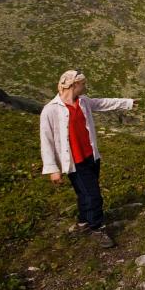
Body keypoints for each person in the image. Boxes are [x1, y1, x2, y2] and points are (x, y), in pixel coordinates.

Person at [40, 70, 137, 248]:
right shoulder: (50, 110)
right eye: (83, 84)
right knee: (93, 195)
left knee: (84, 192)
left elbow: (102, 103)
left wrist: (127, 103)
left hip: (91, 156)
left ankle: (84, 221)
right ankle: (97, 228)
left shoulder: (83, 102)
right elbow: (46, 141)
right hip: (74, 161)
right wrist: (53, 169)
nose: (85, 87)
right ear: (74, 85)